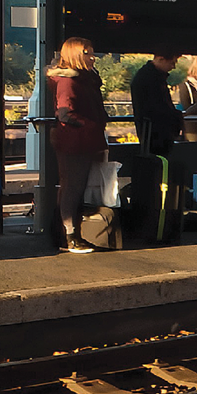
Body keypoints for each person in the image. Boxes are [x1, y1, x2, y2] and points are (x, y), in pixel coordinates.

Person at [47, 37, 110, 254]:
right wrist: (92, 125)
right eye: (87, 53)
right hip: (75, 141)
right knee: (73, 187)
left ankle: (65, 234)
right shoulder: (70, 81)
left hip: (78, 139)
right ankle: (70, 236)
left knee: (72, 186)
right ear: (75, 55)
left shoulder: (81, 79)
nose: (93, 58)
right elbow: (66, 113)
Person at [130, 51, 184, 158]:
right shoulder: (151, 79)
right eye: (171, 63)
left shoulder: (147, 76)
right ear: (161, 59)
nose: (173, 67)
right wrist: (176, 117)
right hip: (156, 134)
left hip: (151, 132)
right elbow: (158, 108)